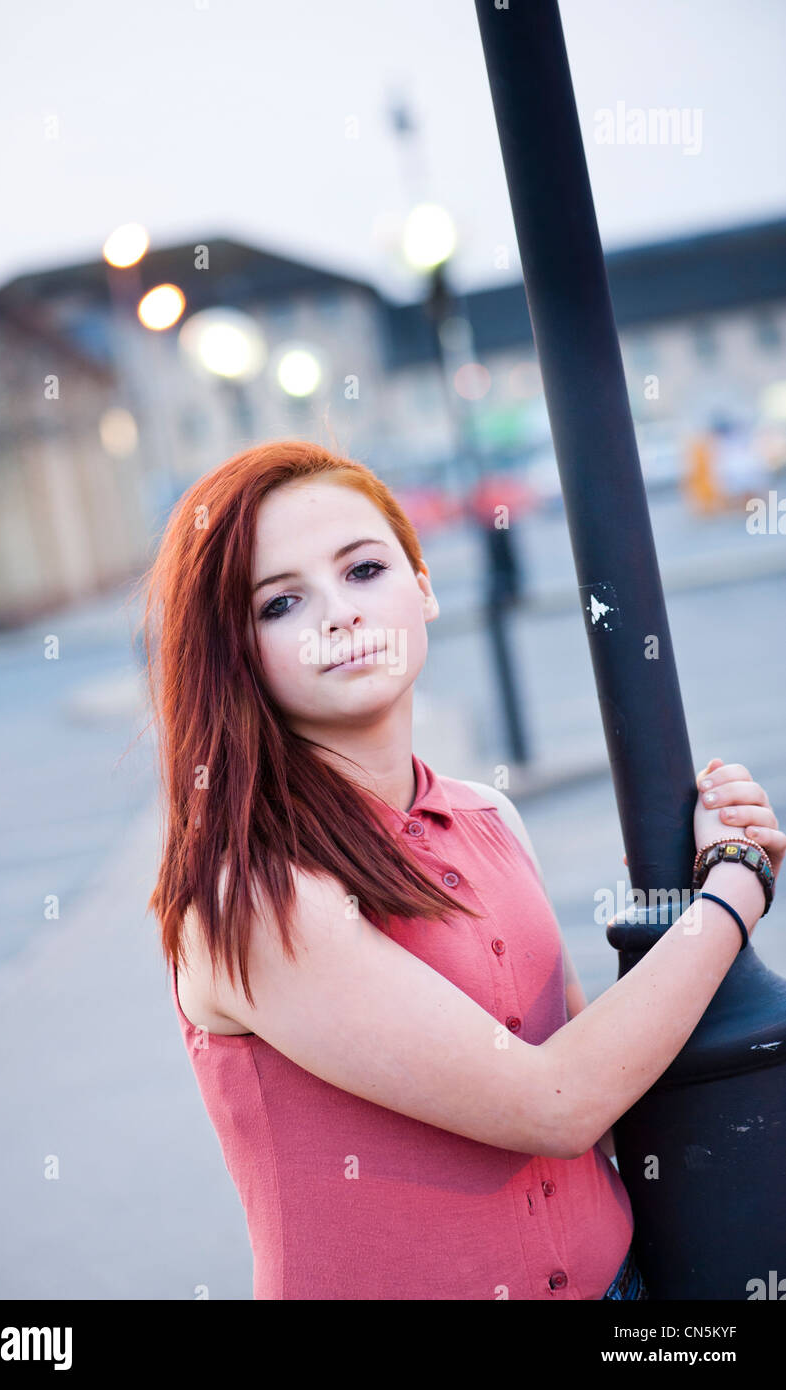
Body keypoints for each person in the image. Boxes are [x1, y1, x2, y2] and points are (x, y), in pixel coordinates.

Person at [137, 439, 783, 1301]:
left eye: (363, 571)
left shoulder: (489, 817)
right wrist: (734, 885)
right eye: (280, 602)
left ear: (425, 587)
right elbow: (557, 1101)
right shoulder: (253, 893)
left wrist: (712, 855)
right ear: (233, 652)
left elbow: (606, 1061)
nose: (339, 615)